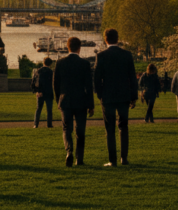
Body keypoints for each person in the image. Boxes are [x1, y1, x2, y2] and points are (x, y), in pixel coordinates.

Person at [94, 28, 138, 166]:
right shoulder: (127, 55)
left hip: (108, 96)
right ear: (117, 39)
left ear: (105, 39)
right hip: (124, 95)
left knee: (110, 129)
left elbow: (96, 79)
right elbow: (132, 77)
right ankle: (124, 159)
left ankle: (112, 160)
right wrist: (133, 96)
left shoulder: (101, 56)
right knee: (123, 127)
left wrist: (100, 95)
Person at [54, 37, 95, 166]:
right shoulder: (85, 64)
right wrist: (91, 105)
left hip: (65, 100)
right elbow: (89, 86)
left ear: (67, 47)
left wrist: (58, 100)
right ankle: (80, 159)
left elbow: (55, 84)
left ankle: (69, 151)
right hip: (81, 100)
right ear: (79, 48)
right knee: (80, 130)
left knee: (66, 128)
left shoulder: (60, 63)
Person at [32, 58, 55, 128]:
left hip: (40, 93)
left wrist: (37, 91)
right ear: (50, 64)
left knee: (38, 109)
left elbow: (34, 82)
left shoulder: (38, 71)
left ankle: (36, 124)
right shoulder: (51, 72)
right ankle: (49, 124)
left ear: (43, 62)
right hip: (49, 92)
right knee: (49, 110)